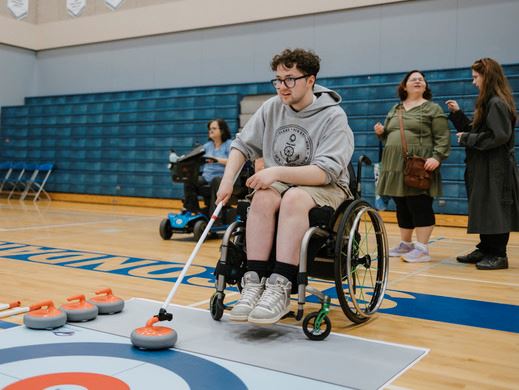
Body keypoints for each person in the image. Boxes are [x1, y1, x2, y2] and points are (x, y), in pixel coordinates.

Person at [216, 48, 354, 325]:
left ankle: (281, 285)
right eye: (277, 79)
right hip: (282, 184)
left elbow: (325, 171)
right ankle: (254, 282)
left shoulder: (333, 116)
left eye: (290, 79)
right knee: (263, 197)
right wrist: (227, 180)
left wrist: (276, 170)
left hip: (325, 186)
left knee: (293, 198)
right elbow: (242, 145)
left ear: (310, 80)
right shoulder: (271, 107)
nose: (282, 86)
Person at [446, 58, 519, 270]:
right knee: (484, 207)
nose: (473, 82)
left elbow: (499, 136)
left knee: (495, 208)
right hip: (485, 165)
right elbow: (477, 130)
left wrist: (467, 139)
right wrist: (457, 114)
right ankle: (486, 248)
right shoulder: (490, 102)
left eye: (476, 77)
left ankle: (498, 254)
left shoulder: (496, 103)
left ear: (487, 76)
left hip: (496, 167)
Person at [374, 70, 450, 263]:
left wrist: (437, 157)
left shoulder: (433, 109)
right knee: (401, 203)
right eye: (413, 79)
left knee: (419, 203)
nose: (417, 81)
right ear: (404, 86)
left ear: (425, 86)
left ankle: (422, 248)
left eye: (421, 79)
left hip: (419, 163)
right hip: (394, 164)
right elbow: (390, 137)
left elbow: (443, 137)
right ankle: (406, 244)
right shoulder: (396, 109)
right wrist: (382, 133)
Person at [183, 118, 232, 216]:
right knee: (189, 180)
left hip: (221, 178)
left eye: (214, 128)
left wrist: (216, 159)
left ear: (222, 130)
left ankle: (215, 216)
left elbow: (233, 161)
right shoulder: (207, 146)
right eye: (210, 129)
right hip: (206, 177)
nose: (211, 131)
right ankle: (194, 211)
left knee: (216, 181)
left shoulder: (229, 144)